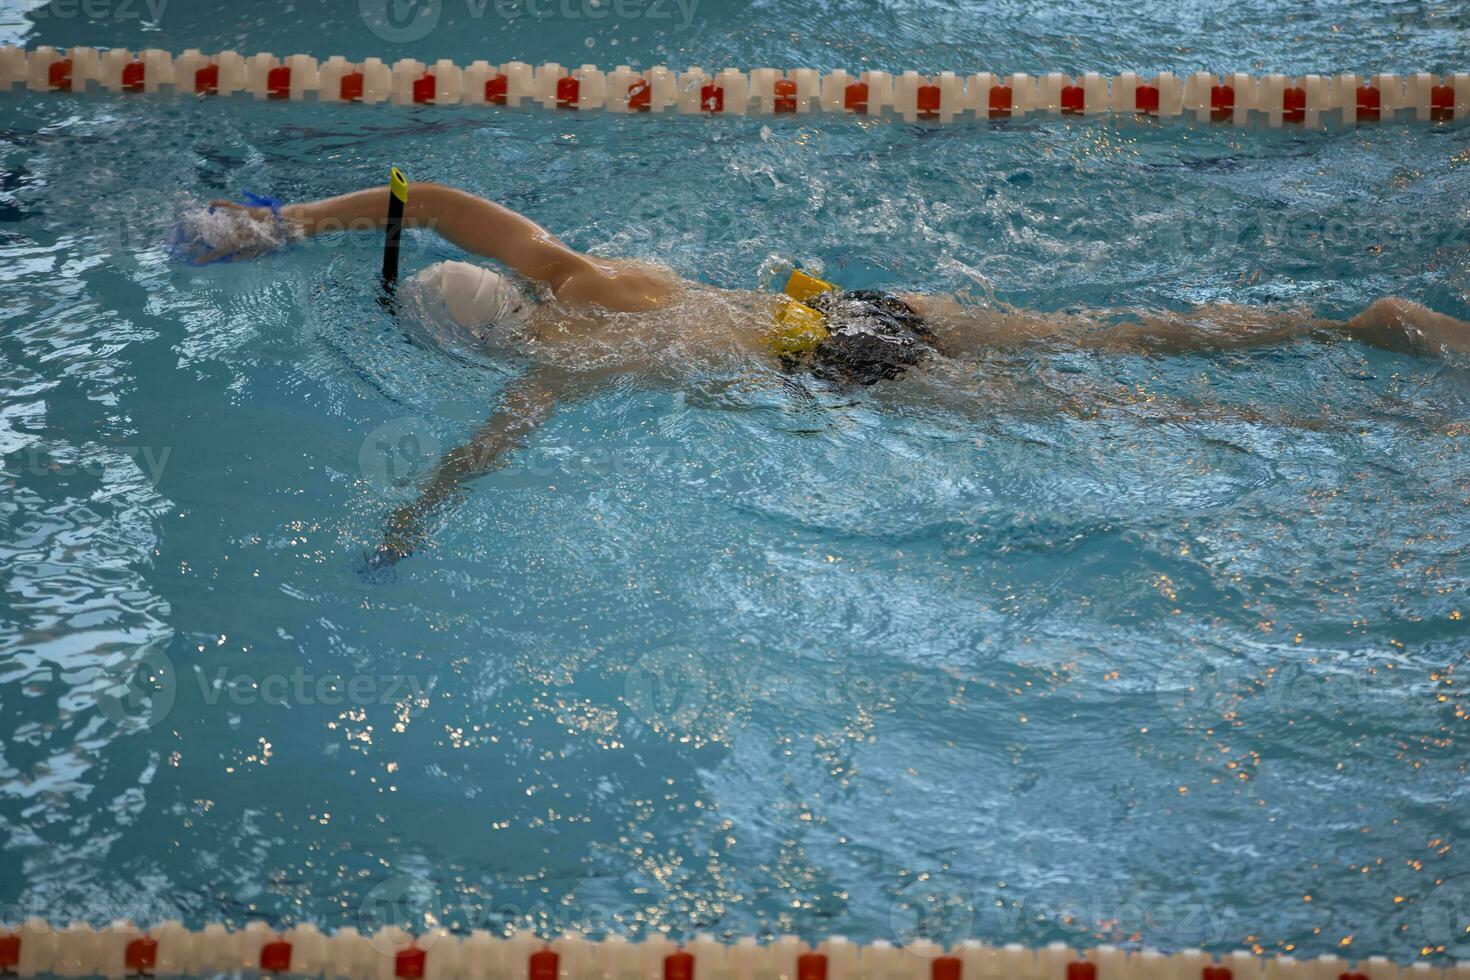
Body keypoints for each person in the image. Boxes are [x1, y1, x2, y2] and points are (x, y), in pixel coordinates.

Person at [200, 181, 1470, 564]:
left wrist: (412, 519)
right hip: (862, 303)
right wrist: (297, 220)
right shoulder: (575, 275)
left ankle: (1361, 421)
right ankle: (1363, 323)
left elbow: (481, 454)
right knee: (1129, 339)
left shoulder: (551, 370)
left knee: (1102, 408)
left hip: (847, 365)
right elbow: (443, 203)